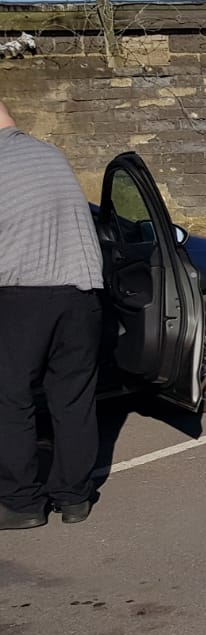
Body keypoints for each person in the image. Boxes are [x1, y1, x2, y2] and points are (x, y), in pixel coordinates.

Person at [0, 100, 104, 530]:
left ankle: (21, 503)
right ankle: (74, 497)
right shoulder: (50, 155)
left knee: (10, 399)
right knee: (73, 399)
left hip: (21, 295)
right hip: (81, 294)